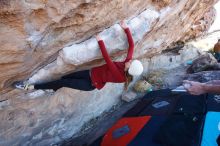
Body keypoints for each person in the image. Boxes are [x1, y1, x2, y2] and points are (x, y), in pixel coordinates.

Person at [15, 21, 144, 91]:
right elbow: (132, 46)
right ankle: (53, 87)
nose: (130, 60)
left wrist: (100, 41)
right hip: (90, 73)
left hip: (91, 84)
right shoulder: (128, 65)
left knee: (63, 81)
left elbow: (108, 60)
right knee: (65, 77)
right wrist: (126, 28)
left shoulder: (120, 76)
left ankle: (30, 87)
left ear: (128, 69)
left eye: (131, 63)